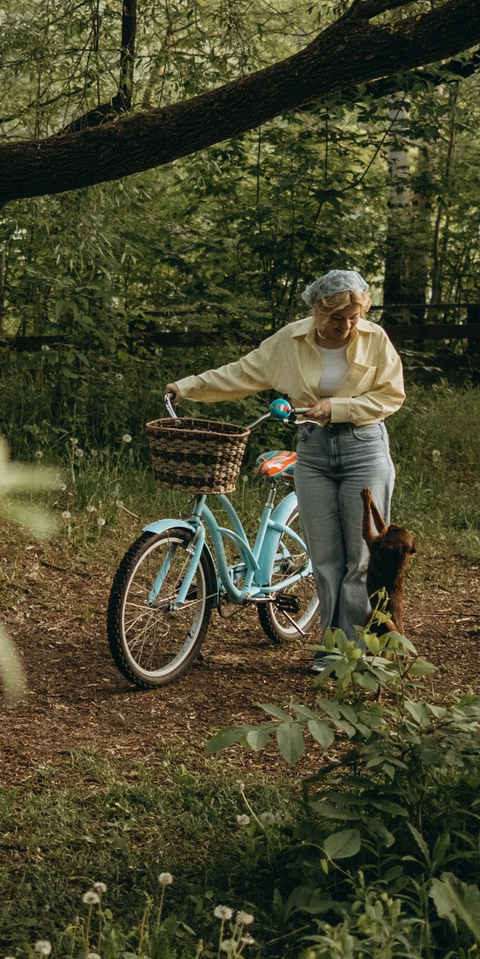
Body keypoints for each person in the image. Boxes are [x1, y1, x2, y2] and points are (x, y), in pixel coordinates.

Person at [165, 269, 405, 668]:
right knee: (326, 558)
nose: (345, 326)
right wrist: (186, 386)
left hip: (363, 448)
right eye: (336, 318)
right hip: (312, 452)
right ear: (316, 310)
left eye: (353, 317)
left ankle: (358, 652)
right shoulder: (289, 341)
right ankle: (333, 648)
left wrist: (338, 407)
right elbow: (240, 373)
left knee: (362, 558)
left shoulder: (374, 339)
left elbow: (390, 395)